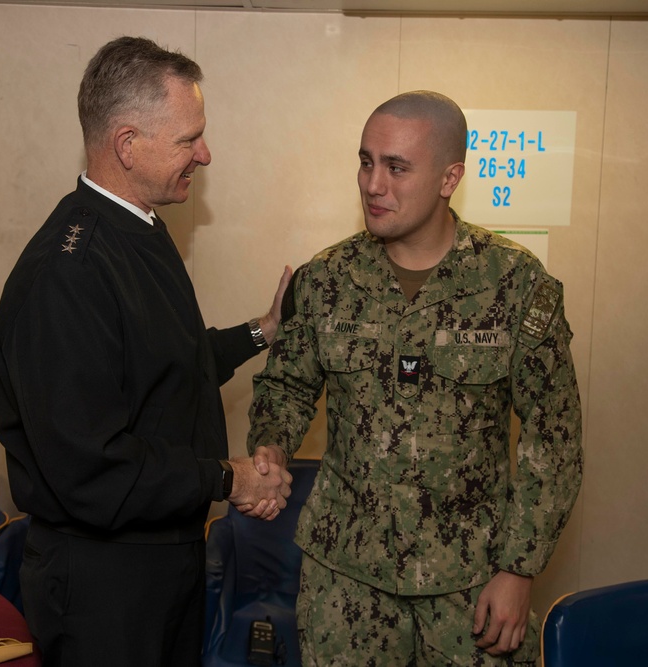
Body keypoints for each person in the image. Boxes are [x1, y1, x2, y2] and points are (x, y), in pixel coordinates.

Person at [247, 91, 583, 666]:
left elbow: (554, 438)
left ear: (450, 177)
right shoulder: (327, 278)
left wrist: (518, 568)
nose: (374, 184)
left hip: (471, 584)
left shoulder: (514, 284)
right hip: (344, 584)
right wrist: (271, 446)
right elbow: (286, 387)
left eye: (396, 167)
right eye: (366, 161)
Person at [0, 36, 292, 666]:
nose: (205, 155)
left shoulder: (139, 230)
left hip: (159, 568)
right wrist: (228, 479)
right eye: (189, 139)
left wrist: (263, 330)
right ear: (127, 145)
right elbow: (93, 467)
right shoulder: (69, 271)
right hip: (106, 588)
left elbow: (165, 370)